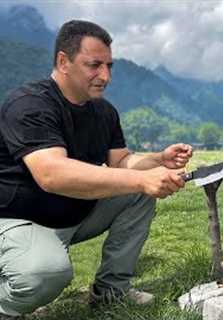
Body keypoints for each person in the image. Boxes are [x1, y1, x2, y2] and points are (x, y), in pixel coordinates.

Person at [0, 20, 193, 318]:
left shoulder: (103, 111)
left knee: (136, 193)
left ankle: (110, 293)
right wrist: (141, 180)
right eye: (94, 65)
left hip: (72, 215)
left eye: (109, 66)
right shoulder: (30, 104)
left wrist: (158, 159)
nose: (105, 76)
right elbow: (52, 174)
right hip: (19, 219)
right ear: (63, 62)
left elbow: (120, 162)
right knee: (45, 275)